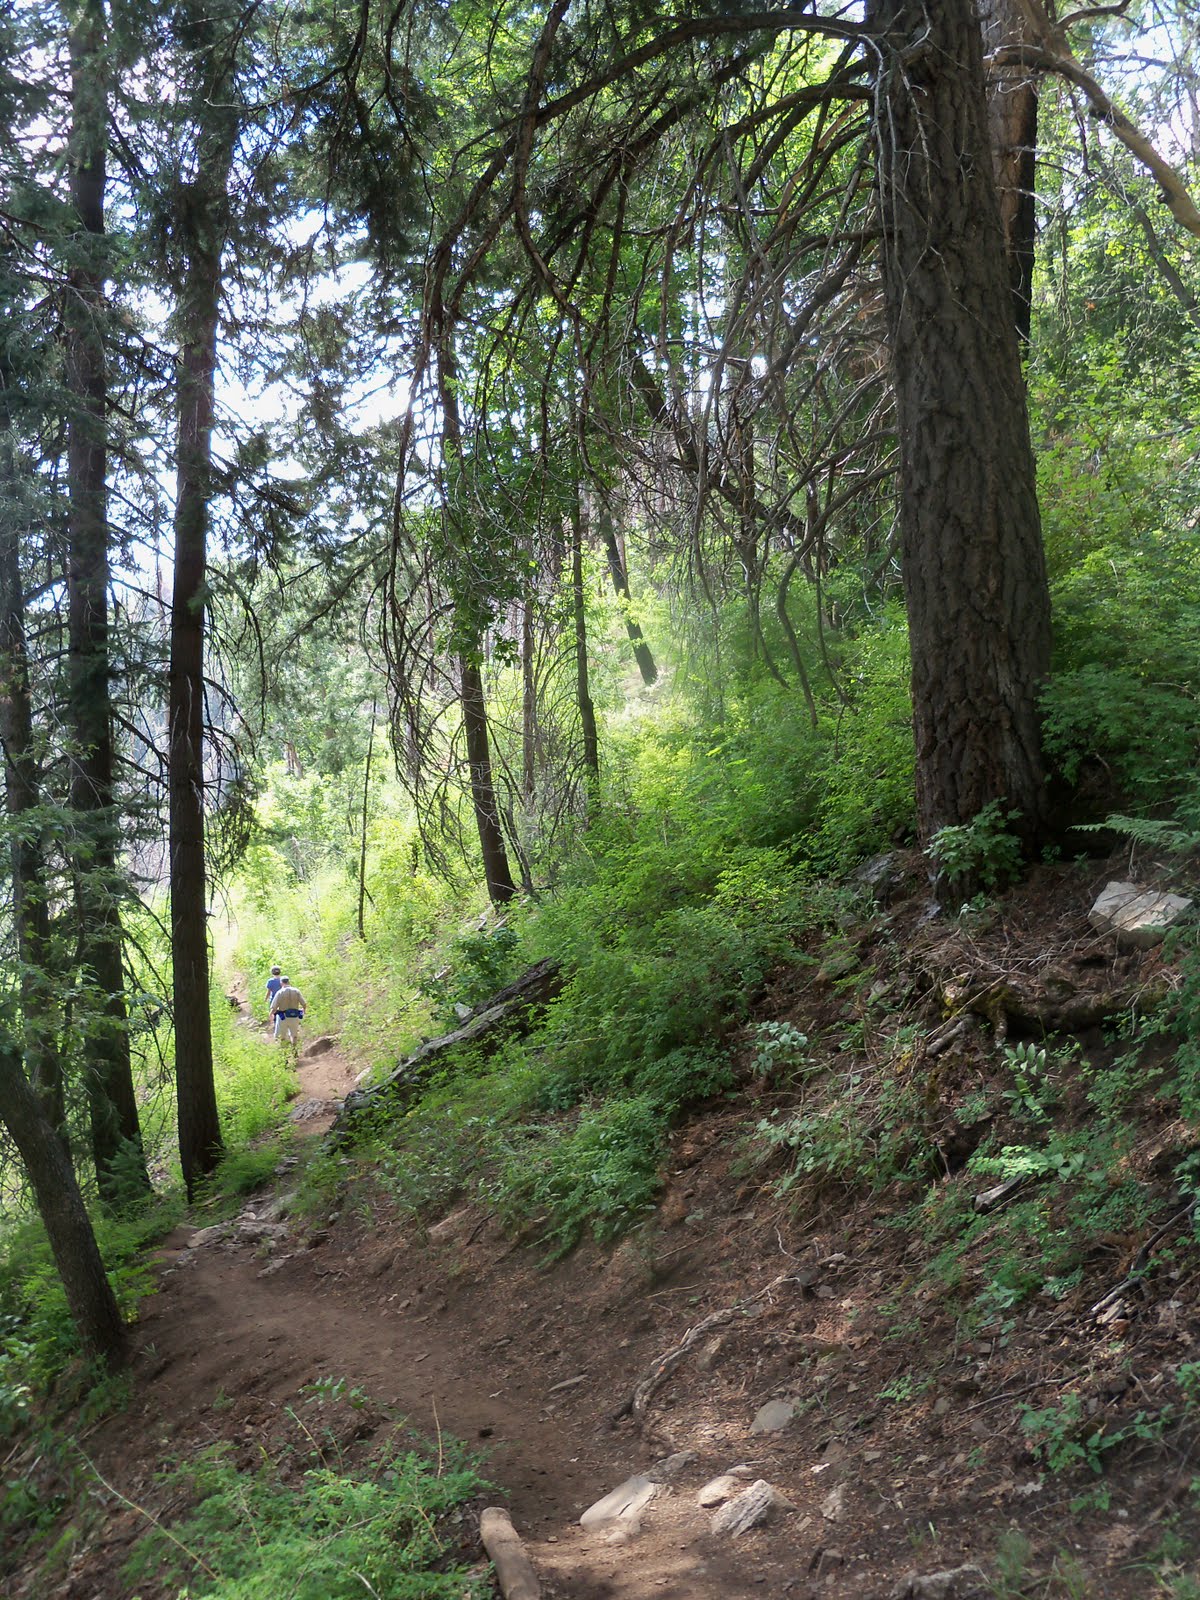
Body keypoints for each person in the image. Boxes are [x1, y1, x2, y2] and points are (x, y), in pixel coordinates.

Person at [270, 976, 307, 1055]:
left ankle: (284, 1054)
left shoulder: (280, 992)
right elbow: (304, 1003)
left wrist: (271, 1014)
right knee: (294, 1035)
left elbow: (274, 1007)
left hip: (283, 1017)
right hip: (294, 1016)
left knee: (282, 1036)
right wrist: (304, 1010)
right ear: (289, 982)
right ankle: (294, 1051)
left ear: (281, 982)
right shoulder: (296, 991)